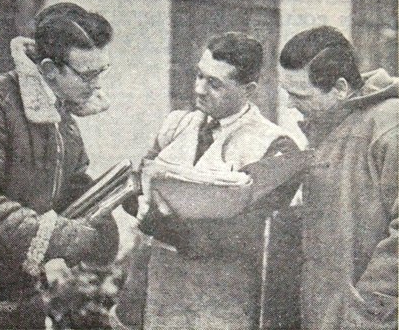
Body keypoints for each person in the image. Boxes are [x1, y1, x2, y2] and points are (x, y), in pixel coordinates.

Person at [111, 32, 300, 329]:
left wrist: (167, 226)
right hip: (159, 290)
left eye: (215, 83)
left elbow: (248, 234)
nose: (199, 89)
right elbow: (137, 183)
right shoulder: (177, 125)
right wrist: (135, 199)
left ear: (248, 89)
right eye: (199, 75)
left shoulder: (275, 146)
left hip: (221, 301)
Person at [0, 3, 119, 329]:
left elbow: (68, 179)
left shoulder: (61, 117)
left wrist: (101, 211)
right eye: (87, 75)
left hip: (21, 293)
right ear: (48, 69)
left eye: (100, 72)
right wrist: (59, 235)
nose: (96, 85)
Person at [279, 26, 398, 329]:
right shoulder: (331, 123)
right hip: (329, 315)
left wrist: (367, 313)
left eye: (299, 95)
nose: (290, 105)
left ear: (341, 88)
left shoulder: (389, 128)